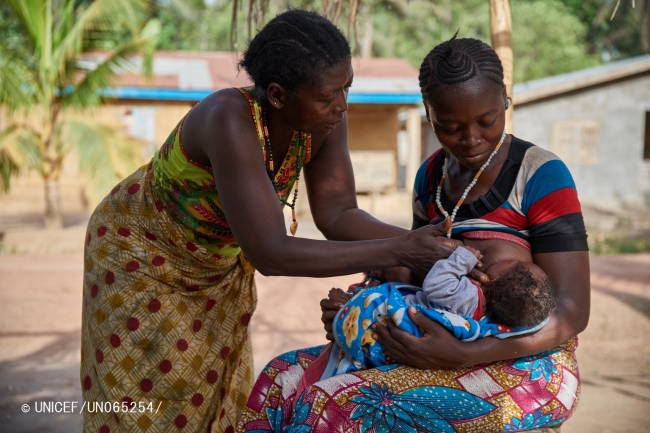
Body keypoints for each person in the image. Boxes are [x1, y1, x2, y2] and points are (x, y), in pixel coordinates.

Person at [79, 10, 471, 433]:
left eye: (347, 88)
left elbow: (338, 215)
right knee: (148, 392)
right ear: (280, 96)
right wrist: (402, 248)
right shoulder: (228, 120)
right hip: (142, 255)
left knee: (210, 389)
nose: (341, 105)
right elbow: (270, 251)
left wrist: (444, 248)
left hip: (217, 266)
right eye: (327, 96)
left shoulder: (323, 122)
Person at [238, 34, 590, 433]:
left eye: (487, 121)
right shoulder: (431, 177)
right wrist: (360, 308)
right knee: (280, 378)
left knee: (334, 405)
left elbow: (572, 312)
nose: (471, 139)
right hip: (435, 347)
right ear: (429, 112)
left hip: (528, 367)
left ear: (504, 100)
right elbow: (415, 272)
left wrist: (462, 355)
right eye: (450, 126)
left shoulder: (540, 175)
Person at [327, 238, 557, 373]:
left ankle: (349, 309)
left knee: (371, 308)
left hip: (386, 324)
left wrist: (463, 258)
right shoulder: (489, 316)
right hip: (399, 336)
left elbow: (436, 285)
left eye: (513, 264)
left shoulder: (469, 298)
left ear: (492, 279)